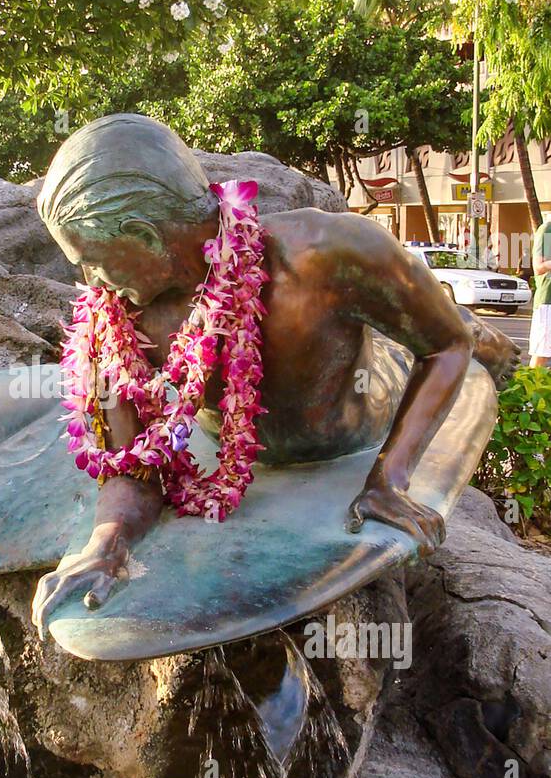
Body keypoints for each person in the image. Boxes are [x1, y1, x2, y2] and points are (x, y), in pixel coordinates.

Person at [31, 114, 518, 634]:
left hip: (370, 392)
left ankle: (474, 322)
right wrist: (107, 545)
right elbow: (136, 465)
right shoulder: (117, 321)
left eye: (91, 261)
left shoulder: (325, 254)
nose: (89, 281)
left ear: (143, 235)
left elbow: (444, 348)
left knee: (445, 329)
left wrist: (388, 479)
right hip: (266, 448)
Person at [529, 213, 551, 368]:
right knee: (541, 354)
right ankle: (530, 391)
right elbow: (538, 267)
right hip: (548, 301)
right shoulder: (547, 230)